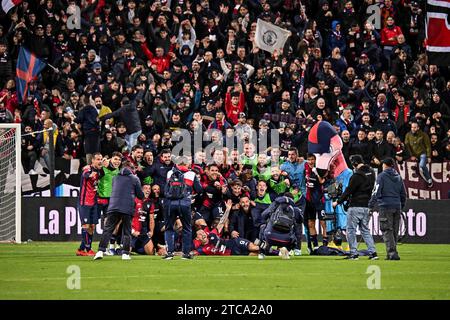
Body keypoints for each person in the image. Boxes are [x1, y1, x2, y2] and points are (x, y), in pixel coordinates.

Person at [94, 160, 144, 261]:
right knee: (127, 231)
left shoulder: (115, 178)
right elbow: (140, 195)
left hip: (113, 206)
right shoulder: (135, 179)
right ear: (131, 168)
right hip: (127, 208)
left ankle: (100, 251)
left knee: (108, 229)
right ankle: (125, 253)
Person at [332, 154, 378, 260]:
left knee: (350, 230)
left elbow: (349, 190)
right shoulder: (371, 173)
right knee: (365, 230)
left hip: (356, 205)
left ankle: (353, 253)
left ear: (355, 163)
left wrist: (338, 202)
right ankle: (373, 252)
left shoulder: (357, 175)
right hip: (366, 205)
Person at [163, 156, 202, 260]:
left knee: (169, 228)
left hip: (170, 204)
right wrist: (191, 196)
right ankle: (185, 254)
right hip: (185, 204)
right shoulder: (192, 174)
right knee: (187, 228)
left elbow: (166, 189)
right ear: (186, 164)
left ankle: (170, 253)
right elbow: (199, 189)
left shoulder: (169, 173)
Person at [369, 157, 406, 260]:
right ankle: (392, 252)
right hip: (397, 206)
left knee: (386, 229)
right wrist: (401, 205)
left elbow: (376, 191)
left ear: (384, 165)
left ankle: (392, 253)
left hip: (385, 206)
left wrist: (371, 205)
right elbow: (403, 194)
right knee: (394, 230)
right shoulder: (398, 177)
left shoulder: (381, 176)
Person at [258, 193, 303, 260]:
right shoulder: (295, 210)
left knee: (263, 227)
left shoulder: (275, 205)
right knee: (296, 229)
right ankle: (287, 250)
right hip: (286, 240)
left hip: (270, 237)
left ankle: (262, 253)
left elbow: (264, 215)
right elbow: (300, 221)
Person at [76, 152, 103, 257]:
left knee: (92, 226)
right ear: (92, 160)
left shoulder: (99, 171)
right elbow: (86, 174)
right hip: (85, 202)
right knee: (86, 226)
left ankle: (81, 249)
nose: (99, 161)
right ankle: (88, 249)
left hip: (94, 202)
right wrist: (91, 174)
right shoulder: (87, 169)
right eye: (97, 159)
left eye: (101, 159)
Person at [404, 122, 433, 187]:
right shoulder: (408, 135)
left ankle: (429, 179)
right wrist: (411, 155)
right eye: (412, 127)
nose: (413, 129)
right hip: (413, 155)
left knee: (422, 165)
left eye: (414, 127)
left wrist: (428, 156)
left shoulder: (423, 134)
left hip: (422, 154)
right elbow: (407, 146)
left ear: (418, 128)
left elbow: (428, 146)